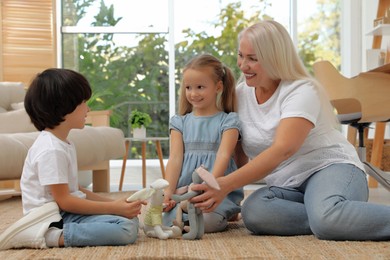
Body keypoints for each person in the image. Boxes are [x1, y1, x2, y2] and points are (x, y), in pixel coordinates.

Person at [191, 20, 390, 241]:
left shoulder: (302, 90)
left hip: (330, 168)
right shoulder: (240, 95)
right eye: (241, 56)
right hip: (287, 187)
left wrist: (225, 186)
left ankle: (328, 215)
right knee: (254, 212)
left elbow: (283, 149)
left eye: (253, 59)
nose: (242, 65)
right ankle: (329, 215)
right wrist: (225, 195)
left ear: (275, 59)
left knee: (326, 218)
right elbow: (237, 152)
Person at [0, 68, 145, 250]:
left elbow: (75, 190)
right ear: (63, 107)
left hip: (64, 212)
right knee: (126, 228)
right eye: (83, 102)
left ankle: (58, 232)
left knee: (129, 219)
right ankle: (52, 236)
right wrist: (114, 208)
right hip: (53, 217)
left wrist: (116, 204)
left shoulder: (62, 143)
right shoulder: (51, 150)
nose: (88, 108)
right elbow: (65, 201)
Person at [162, 54, 244, 233]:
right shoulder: (179, 122)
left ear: (218, 87)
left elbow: (223, 155)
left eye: (200, 87)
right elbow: (175, 159)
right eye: (188, 87)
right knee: (161, 216)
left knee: (207, 222)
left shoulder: (229, 121)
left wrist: (209, 187)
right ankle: (185, 213)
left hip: (215, 187)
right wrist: (168, 191)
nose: (193, 93)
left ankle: (221, 212)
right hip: (185, 190)